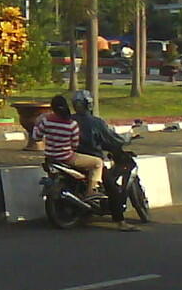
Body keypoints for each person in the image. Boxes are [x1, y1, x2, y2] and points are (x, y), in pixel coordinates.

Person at [71, 90, 138, 231]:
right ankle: (120, 222)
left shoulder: (69, 120)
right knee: (112, 188)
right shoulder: (96, 122)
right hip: (91, 159)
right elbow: (112, 139)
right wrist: (127, 139)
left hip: (71, 159)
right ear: (89, 104)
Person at [35, 93, 104, 197]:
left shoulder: (46, 121)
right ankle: (91, 191)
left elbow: (36, 137)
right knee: (98, 163)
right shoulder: (71, 124)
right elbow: (75, 145)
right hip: (67, 158)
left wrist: (37, 124)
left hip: (50, 158)